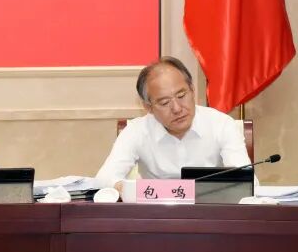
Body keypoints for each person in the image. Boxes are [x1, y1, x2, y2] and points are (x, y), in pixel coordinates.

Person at [95, 57, 250, 189]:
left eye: (181, 96)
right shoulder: (136, 131)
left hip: (209, 210)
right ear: (148, 107)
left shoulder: (221, 124)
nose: (177, 108)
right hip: (157, 212)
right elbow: (103, 180)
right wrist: (131, 190)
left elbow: (247, 182)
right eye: (164, 103)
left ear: (192, 90)